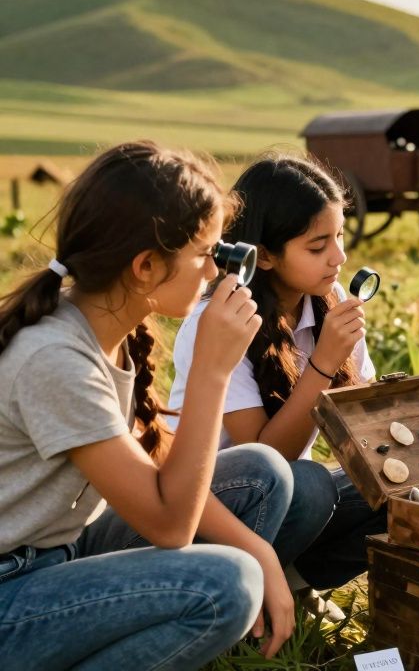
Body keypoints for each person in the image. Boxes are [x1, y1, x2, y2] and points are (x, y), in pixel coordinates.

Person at [0, 141, 296, 668]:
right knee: (225, 585)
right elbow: (169, 525)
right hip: (12, 588)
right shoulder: (55, 360)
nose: (213, 273)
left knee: (259, 474)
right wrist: (211, 371)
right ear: (145, 266)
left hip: (53, 550)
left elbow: (161, 473)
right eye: (206, 255)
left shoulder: (101, 325)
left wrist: (262, 548)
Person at [168, 155, 384, 610]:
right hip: (220, 504)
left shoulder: (329, 300)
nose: (339, 258)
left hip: (284, 501)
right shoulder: (220, 320)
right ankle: (242, 598)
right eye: (317, 245)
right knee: (307, 484)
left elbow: (365, 422)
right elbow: (267, 459)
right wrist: (323, 365)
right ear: (263, 255)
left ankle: (294, 583)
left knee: (398, 494)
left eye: (340, 236)